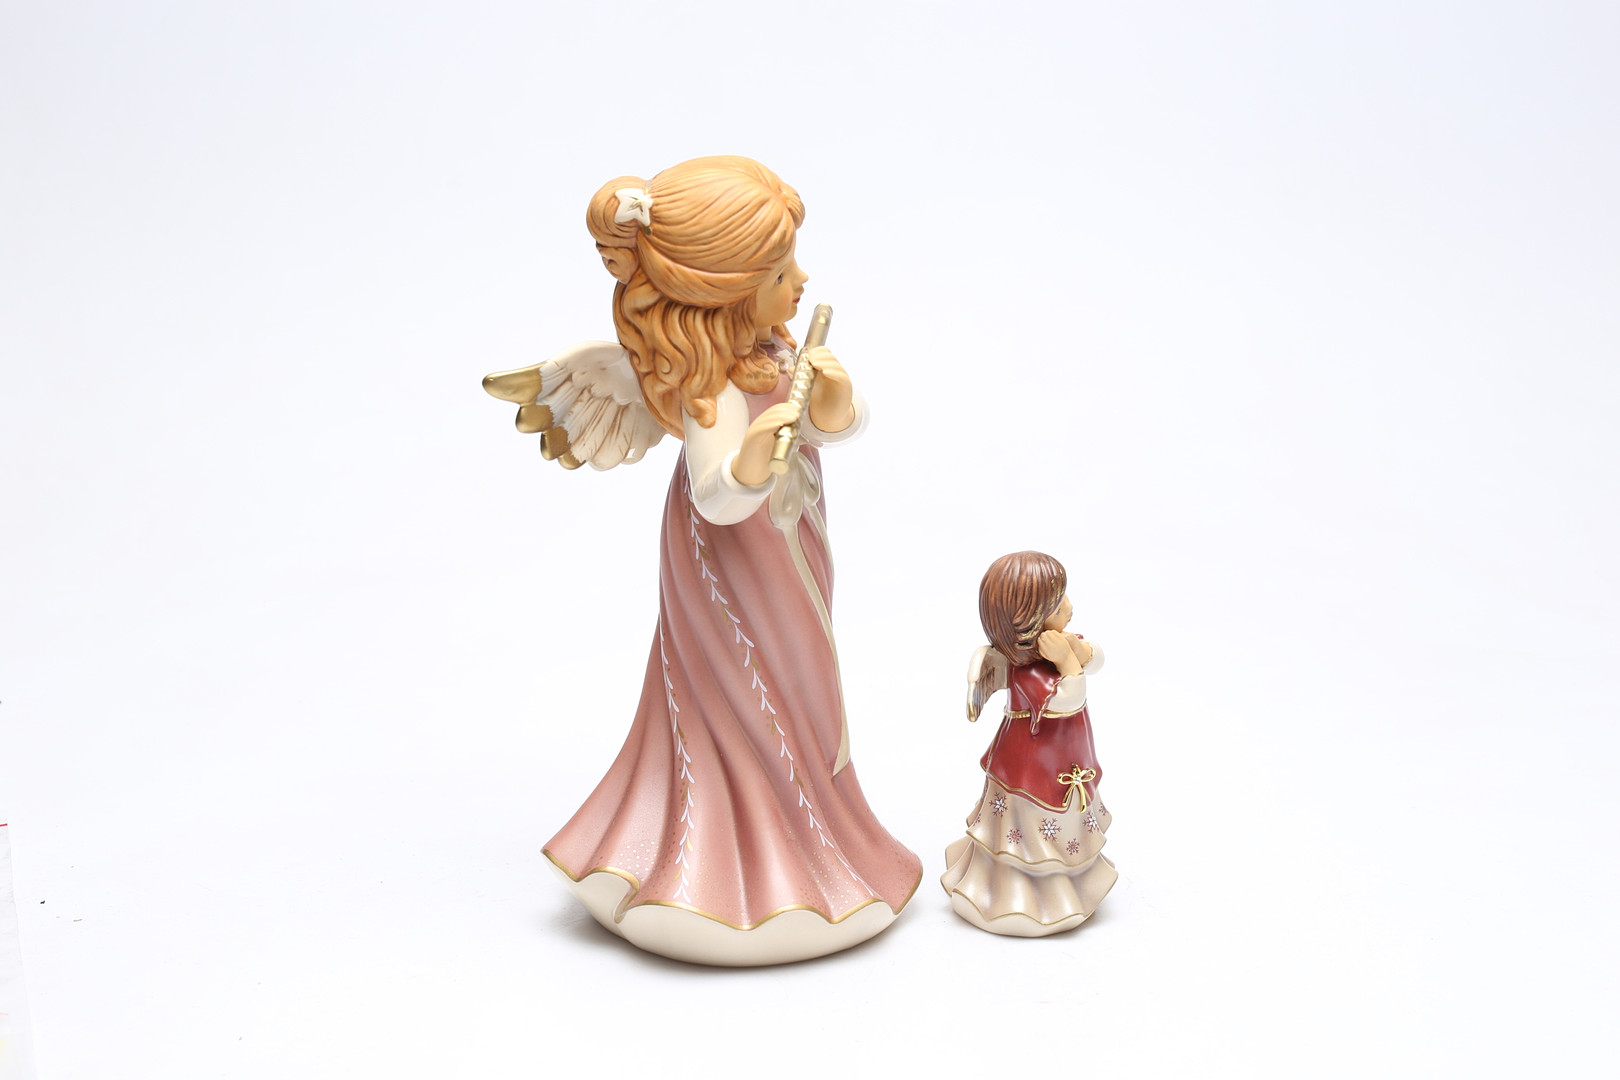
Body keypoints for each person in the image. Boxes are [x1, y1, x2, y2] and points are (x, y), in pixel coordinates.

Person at [492, 157, 921, 965]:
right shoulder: (708, 388)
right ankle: (727, 866)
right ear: (726, 293)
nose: (801, 282)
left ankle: (823, 836)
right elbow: (716, 495)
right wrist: (753, 457)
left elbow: (833, 424)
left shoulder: (777, 350)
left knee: (807, 685)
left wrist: (835, 404)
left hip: (792, 553)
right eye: (780, 273)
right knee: (743, 694)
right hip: (729, 566)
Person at [942, 550, 1118, 936]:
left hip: (1066, 759)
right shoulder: (1029, 673)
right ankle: (1023, 893)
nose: (1069, 606)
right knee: (1032, 827)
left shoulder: (1058, 650)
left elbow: (1099, 659)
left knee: (1064, 818)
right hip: (1031, 768)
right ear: (1030, 621)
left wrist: (1081, 652)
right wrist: (1069, 663)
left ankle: (1070, 883)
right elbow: (1068, 700)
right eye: (1059, 603)